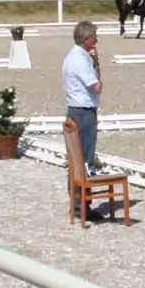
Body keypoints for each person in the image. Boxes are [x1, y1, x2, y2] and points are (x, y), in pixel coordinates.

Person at [62, 19, 103, 175]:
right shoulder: (79, 59)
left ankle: (78, 196)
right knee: (85, 157)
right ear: (86, 39)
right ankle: (80, 197)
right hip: (83, 112)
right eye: (94, 37)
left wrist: (95, 62)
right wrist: (98, 68)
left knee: (76, 157)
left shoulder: (74, 56)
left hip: (76, 109)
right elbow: (96, 87)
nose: (96, 40)